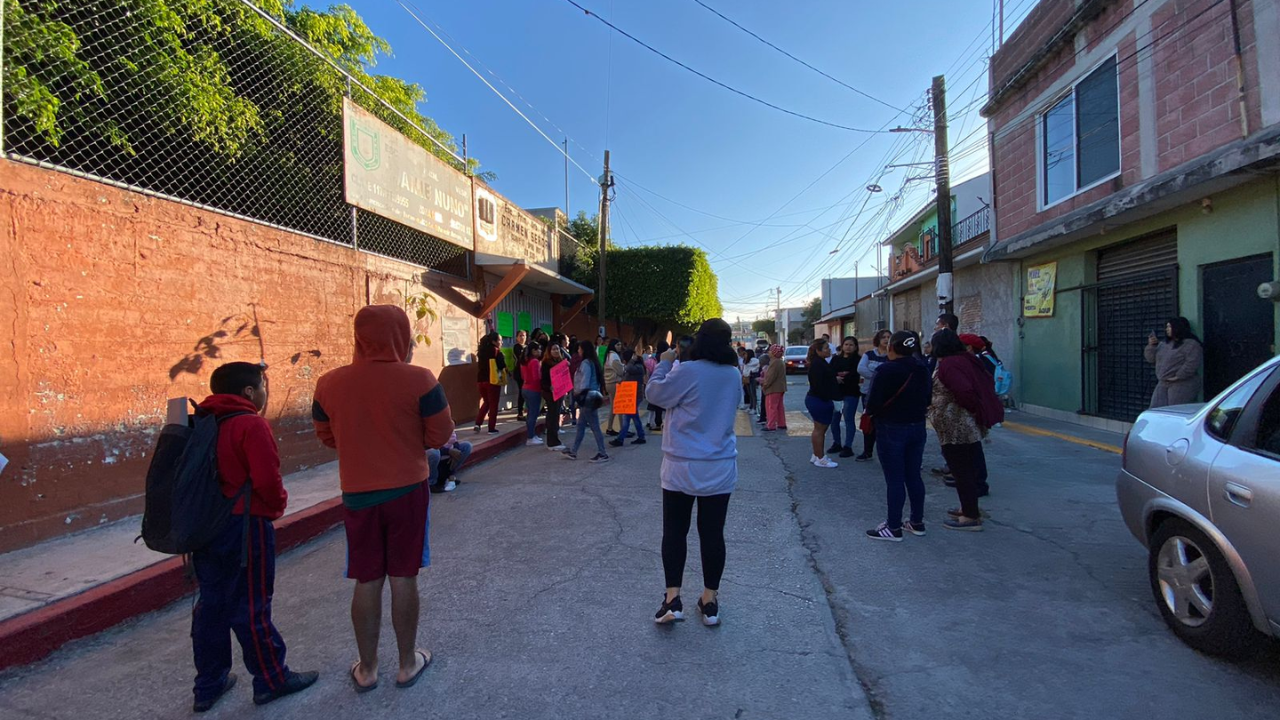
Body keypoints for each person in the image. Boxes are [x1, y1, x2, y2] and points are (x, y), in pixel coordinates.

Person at [313, 305, 455, 692]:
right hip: (408, 490)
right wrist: (408, 441)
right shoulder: (420, 379)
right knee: (404, 574)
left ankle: (368, 668)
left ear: (359, 338)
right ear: (402, 337)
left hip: (357, 493)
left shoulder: (329, 383)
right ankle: (407, 663)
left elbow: (327, 436)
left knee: (367, 576)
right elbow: (440, 434)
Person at [190, 362, 317, 712]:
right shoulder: (250, 424)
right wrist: (275, 509)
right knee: (251, 605)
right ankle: (271, 678)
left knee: (211, 605)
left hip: (204, 528)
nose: (264, 392)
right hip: (244, 526)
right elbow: (266, 479)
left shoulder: (201, 422)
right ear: (248, 391)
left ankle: (208, 685)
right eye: (262, 385)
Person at [646, 319, 742, 627]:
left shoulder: (686, 370)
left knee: (675, 531)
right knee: (712, 534)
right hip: (719, 465)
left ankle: (672, 598)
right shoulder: (732, 374)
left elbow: (656, 395)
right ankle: (709, 600)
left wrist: (664, 365)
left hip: (681, 464)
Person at [930, 329, 1003, 531]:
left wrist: (964, 409)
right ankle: (968, 508)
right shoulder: (965, 360)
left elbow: (964, 391)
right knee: (966, 468)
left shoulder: (950, 364)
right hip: (963, 422)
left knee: (961, 471)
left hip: (956, 425)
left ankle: (970, 516)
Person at [863, 331, 932, 542]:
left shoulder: (886, 370)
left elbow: (872, 403)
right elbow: (929, 397)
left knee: (894, 479)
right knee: (913, 475)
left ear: (891, 347)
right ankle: (917, 522)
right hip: (918, 426)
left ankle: (893, 527)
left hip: (891, 427)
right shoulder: (922, 368)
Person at [564, 340, 609, 462]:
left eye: (579, 349)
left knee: (594, 426)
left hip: (587, 397)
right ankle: (573, 451)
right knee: (581, 426)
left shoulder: (585, 363)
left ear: (584, 350)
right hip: (591, 396)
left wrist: (579, 397)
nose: (578, 351)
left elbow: (584, 382)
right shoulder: (593, 362)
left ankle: (602, 453)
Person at [1145, 317, 1203, 408]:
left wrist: (1178, 376)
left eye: (1170, 327)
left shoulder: (1191, 344)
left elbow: (1192, 363)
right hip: (1163, 382)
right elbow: (1151, 359)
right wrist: (1151, 346)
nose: (1167, 329)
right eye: (1167, 327)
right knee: (1156, 409)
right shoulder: (1164, 344)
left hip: (1182, 383)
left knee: (1176, 409)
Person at [855, 330, 891, 461]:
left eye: (889, 337)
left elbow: (893, 372)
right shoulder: (869, 354)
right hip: (868, 393)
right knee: (869, 422)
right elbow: (861, 369)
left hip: (887, 395)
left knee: (886, 424)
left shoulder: (892, 356)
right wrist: (878, 377)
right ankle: (867, 451)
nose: (886, 340)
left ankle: (886, 452)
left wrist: (876, 375)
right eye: (884, 337)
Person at [804, 339, 840, 468]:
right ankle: (820, 458)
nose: (829, 350)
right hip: (819, 400)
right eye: (825, 348)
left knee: (819, 429)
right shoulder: (817, 364)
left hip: (818, 399)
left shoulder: (820, 362)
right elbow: (819, 385)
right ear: (818, 351)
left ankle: (816, 454)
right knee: (820, 429)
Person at [828, 337, 862, 459]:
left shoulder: (858, 359)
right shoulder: (836, 359)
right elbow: (830, 372)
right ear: (842, 346)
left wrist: (843, 377)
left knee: (848, 419)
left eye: (851, 345)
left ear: (855, 347)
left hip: (851, 393)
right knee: (834, 419)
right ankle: (837, 443)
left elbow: (856, 374)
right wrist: (836, 377)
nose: (848, 347)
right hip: (836, 393)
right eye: (846, 344)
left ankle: (848, 446)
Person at [610, 350, 648, 448]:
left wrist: (631, 360)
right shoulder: (635, 367)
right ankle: (639, 436)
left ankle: (621, 439)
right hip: (631, 396)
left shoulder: (638, 367)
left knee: (629, 417)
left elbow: (628, 368)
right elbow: (626, 375)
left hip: (635, 396)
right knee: (632, 417)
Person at [474, 332, 504, 434]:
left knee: (486, 402)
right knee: (493, 404)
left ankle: (478, 423)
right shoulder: (496, 351)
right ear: (493, 341)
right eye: (499, 340)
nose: (501, 342)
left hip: (481, 380)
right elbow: (501, 366)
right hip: (492, 380)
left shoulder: (481, 351)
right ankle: (491, 428)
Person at [541, 343, 568, 451]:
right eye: (553, 349)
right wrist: (549, 387)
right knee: (552, 416)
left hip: (560, 392)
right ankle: (552, 442)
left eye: (557, 349)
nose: (556, 351)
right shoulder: (546, 363)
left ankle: (554, 439)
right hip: (551, 393)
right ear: (549, 351)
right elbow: (543, 381)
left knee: (556, 415)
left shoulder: (561, 362)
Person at [521, 342, 545, 446]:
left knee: (530, 413)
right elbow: (537, 377)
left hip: (525, 388)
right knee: (533, 414)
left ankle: (532, 434)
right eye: (538, 349)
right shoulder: (535, 361)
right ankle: (530, 437)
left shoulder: (525, 361)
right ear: (533, 351)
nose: (540, 351)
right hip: (533, 390)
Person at [648, 340, 671, 431]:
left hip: (655, 379)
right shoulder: (667, 356)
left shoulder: (654, 357)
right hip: (666, 379)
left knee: (656, 406)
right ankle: (666, 422)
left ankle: (656, 423)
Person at [604, 339, 626, 435]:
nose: (619, 346)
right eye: (618, 344)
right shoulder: (614, 356)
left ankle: (609, 428)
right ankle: (622, 429)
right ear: (613, 345)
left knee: (613, 407)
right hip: (615, 382)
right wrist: (624, 367)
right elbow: (620, 371)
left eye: (620, 344)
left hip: (608, 383)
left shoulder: (608, 355)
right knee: (620, 407)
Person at [513, 330, 528, 421]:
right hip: (519, 373)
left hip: (527, 372)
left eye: (524, 335)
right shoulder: (517, 347)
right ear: (517, 338)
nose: (522, 337)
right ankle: (520, 413)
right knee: (522, 392)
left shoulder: (527, 346)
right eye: (520, 336)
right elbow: (521, 357)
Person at [743, 348, 760, 413]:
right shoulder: (746, 361)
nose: (744, 355)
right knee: (749, 393)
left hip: (752, 377)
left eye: (746, 354)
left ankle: (754, 408)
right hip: (746, 377)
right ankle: (751, 406)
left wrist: (750, 371)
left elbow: (755, 368)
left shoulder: (755, 361)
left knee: (753, 393)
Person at [756, 351, 771, 425]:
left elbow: (766, 379)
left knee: (764, 403)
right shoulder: (765, 367)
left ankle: (764, 417)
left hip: (765, 387)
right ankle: (763, 417)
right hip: (764, 387)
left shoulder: (765, 368)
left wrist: (758, 379)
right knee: (763, 402)